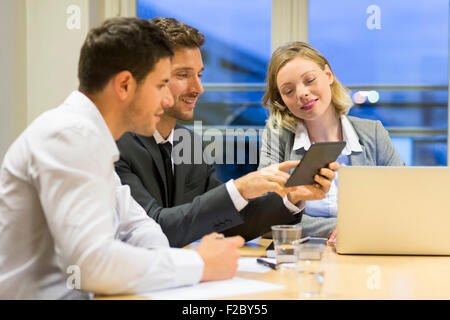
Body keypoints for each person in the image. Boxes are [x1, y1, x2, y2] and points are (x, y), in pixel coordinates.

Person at [0, 17, 249, 300]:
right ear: (124, 85)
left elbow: (138, 226)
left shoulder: (92, 136)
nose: (167, 101)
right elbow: (91, 265)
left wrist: (169, 264)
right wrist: (199, 264)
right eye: (160, 85)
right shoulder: (69, 136)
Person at [115, 17, 339, 248]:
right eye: (183, 75)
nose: (198, 89)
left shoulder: (187, 142)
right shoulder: (114, 144)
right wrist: (240, 188)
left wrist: (292, 198)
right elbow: (153, 229)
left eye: (199, 75)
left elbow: (229, 223)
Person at [259, 41, 404, 238]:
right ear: (282, 99)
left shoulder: (373, 133)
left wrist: (352, 229)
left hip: (366, 254)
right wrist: (338, 229)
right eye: (288, 91)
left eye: (309, 80)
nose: (302, 93)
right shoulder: (277, 137)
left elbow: (403, 201)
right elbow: (265, 220)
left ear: (328, 75)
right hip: (304, 258)